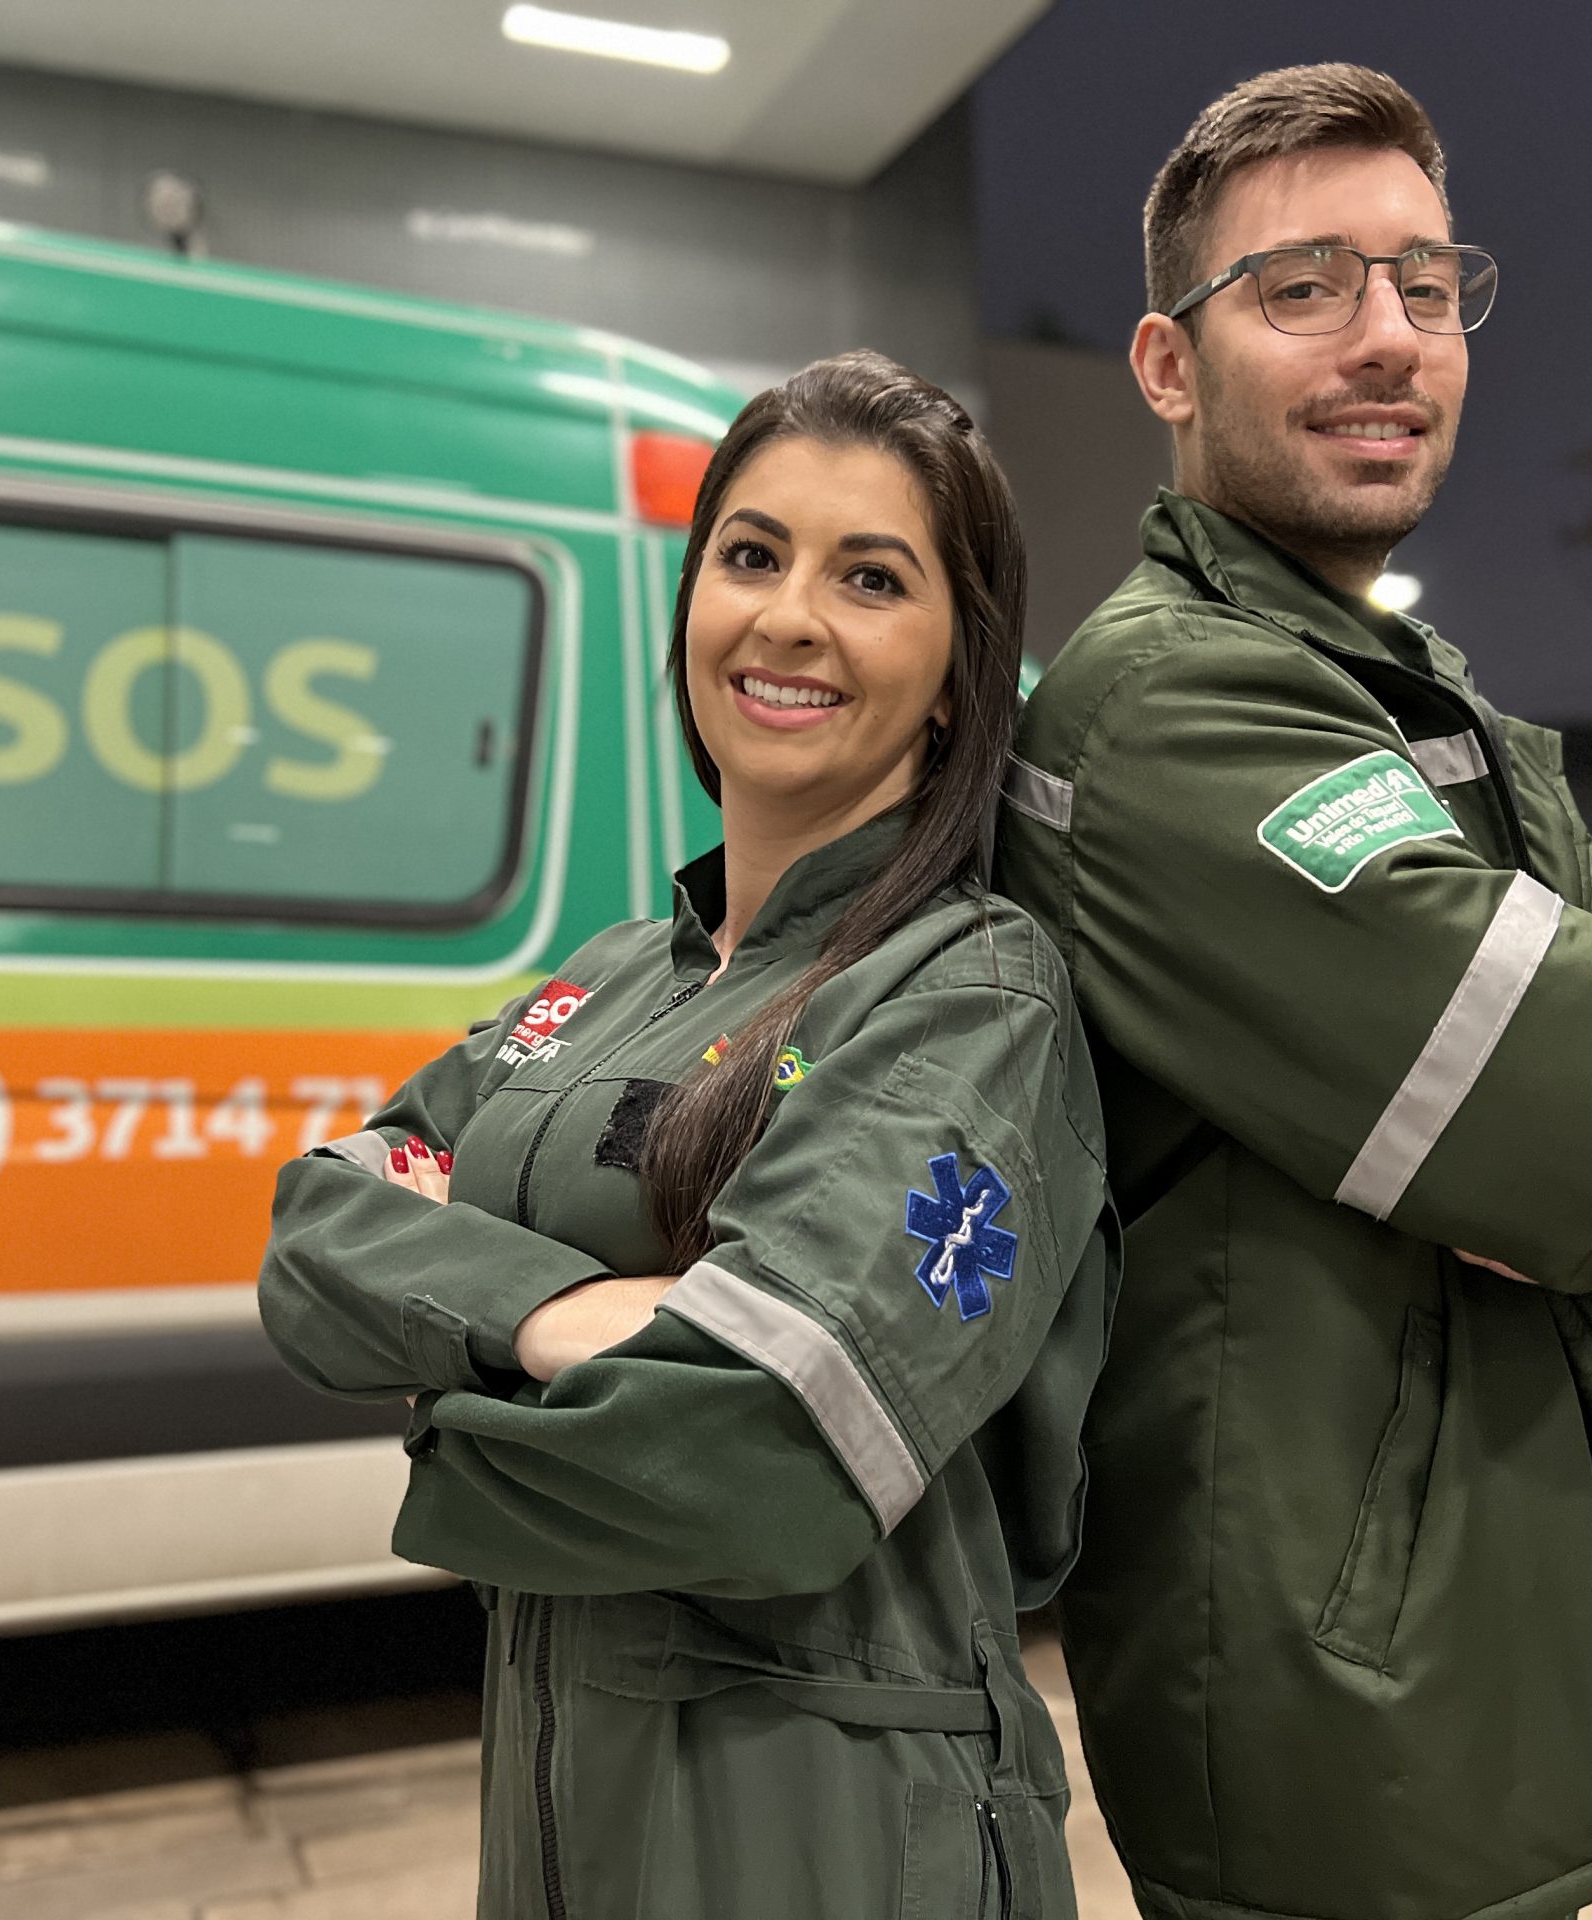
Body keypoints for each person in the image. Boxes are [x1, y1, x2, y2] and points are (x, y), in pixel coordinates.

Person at [994, 64, 1592, 1920]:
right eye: (1304, 288)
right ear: (1167, 366)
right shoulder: (1180, 708)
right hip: (1344, 1710)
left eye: (1426, 288)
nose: (1387, 339)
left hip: (1455, 1664)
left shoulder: (1383, 680)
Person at [261, 351, 1115, 1920]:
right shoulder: (605, 981)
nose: (789, 615)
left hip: (837, 1825)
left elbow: (763, 1453)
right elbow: (317, 1222)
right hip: (560, 1806)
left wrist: (440, 1393)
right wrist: (564, 1318)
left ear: (958, 664)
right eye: (751, 554)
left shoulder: (969, 991)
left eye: (871, 577)